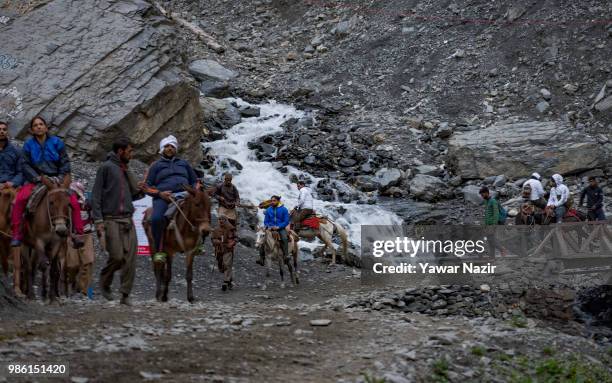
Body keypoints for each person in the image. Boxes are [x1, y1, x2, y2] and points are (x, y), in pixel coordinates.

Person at [10, 116, 84, 248]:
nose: (38, 127)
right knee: (20, 200)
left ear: (46, 127)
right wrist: (36, 178)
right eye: (35, 125)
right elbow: (25, 164)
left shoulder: (57, 142)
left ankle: (77, 233)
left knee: (73, 201)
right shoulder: (28, 145)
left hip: (57, 180)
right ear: (32, 130)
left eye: (41, 124)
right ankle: (17, 234)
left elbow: (64, 162)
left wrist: (61, 177)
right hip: (37, 180)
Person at [92, 138, 143, 305]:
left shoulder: (125, 169)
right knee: (117, 256)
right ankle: (105, 281)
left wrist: (131, 175)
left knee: (131, 259)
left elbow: (136, 193)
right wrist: (98, 220)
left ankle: (125, 294)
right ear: (120, 151)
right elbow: (96, 195)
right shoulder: (106, 168)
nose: (131, 154)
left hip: (128, 219)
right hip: (111, 219)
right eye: (129, 151)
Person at [144, 135, 197, 264]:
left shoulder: (184, 163)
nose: (169, 148)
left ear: (176, 149)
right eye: (166, 146)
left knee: (201, 212)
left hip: (185, 195)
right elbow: (146, 186)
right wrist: (159, 193)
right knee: (156, 219)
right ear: (162, 149)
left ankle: (198, 243)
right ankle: (158, 250)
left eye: (172, 146)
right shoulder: (155, 166)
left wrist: (194, 192)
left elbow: (195, 181)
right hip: (164, 197)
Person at [66, 181, 95, 298]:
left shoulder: (87, 203)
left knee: (88, 263)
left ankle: (85, 292)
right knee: (72, 264)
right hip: (71, 235)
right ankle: (71, 285)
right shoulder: (66, 203)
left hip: (86, 234)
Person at [258, 195, 290, 265]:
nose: (272, 202)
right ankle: (261, 258)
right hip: (270, 228)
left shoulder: (284, 209)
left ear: (278, 201)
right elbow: (266, 221)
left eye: (274, 201)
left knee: (284, 238)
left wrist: (278, 227)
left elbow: (286, 221)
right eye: (271, 201)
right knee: (262, 238)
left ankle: (286, 256)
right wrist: (268, 226)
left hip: (280, 228)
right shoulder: (269, 209)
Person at [0, 121, 24, 190]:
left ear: (7, 132)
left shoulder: (17, 151)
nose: (2, 132)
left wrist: (13, 183)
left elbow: (21, 172)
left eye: (4, 129)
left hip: (9, 186)